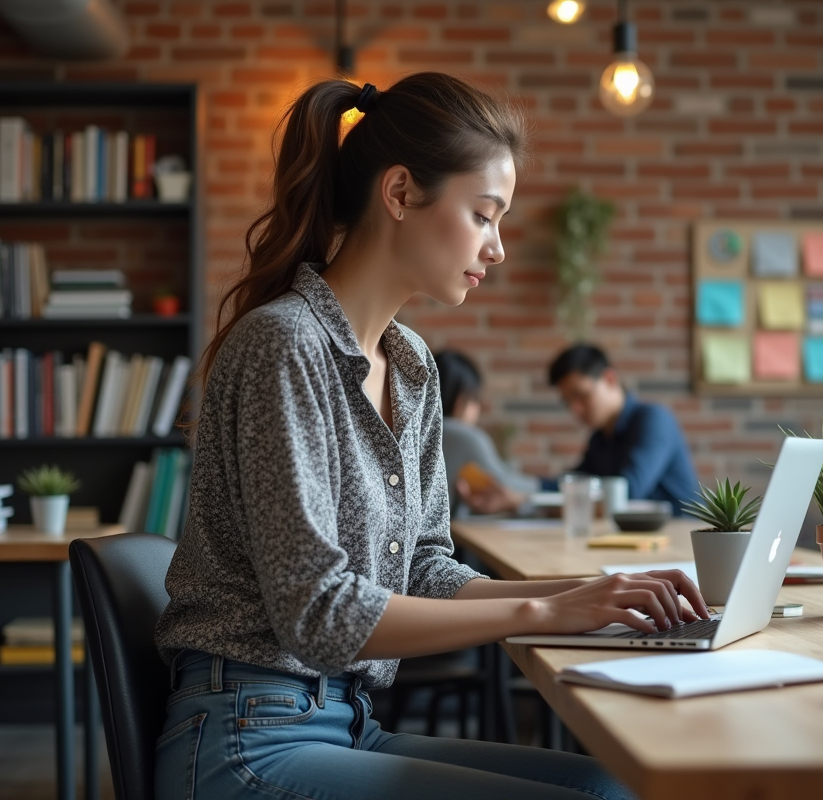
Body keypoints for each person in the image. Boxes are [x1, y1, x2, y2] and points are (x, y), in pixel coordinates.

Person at [153, 73, 708, 800]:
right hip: (247, 740)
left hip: (345, 722)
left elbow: (422, 570)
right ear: (401, 193)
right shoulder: (284, 346)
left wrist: (591, 591)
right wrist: (544, 611)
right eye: (484, 215)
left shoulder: (411, 366)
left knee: (612, 786)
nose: (498, 248)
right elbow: (318, 614)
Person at [548, 344, 699, 512]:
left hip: (680, 531)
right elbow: (577, 482)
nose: (575, 409)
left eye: (581, 395)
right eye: (568, 402)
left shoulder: (654, 420)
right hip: (632, 534)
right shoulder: (600, 438)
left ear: (610, 379)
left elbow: (628, 491)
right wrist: (527, 488)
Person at [435, 349, 539, 517]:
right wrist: (549, 486)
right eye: (475, 399)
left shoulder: (416, 431)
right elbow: (505, 485)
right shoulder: (464, 436)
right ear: (462, 400)